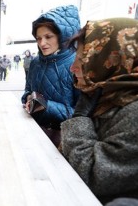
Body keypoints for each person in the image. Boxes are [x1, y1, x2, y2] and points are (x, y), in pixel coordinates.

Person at [61, 17, 138, 204]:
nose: (73, 68)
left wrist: (79, 118)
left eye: (83, 60)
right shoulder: (106, 95)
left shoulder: (133, 113)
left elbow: (90, 174)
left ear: (110, 60)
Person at [21, 5, 80, 147]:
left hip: (63, 139)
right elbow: (27, 91)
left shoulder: (77, 64)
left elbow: (81, 116)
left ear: (63, 36)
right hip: (33, 130)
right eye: (38, 38)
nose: (42, 43)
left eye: (48, 37)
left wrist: (47, 106)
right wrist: (29, 98)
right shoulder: (35, 62)